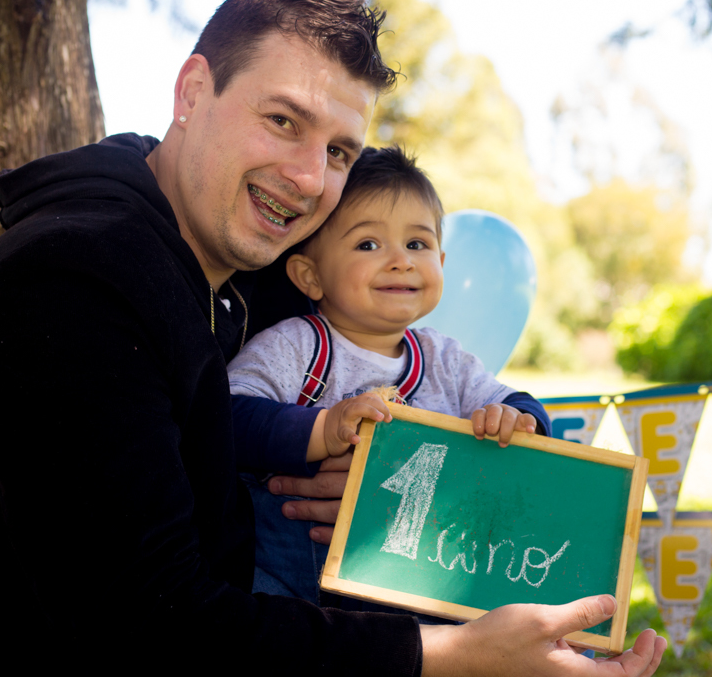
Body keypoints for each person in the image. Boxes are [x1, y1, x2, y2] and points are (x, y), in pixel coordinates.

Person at [0, 0, 667, 676]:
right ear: (192, 92)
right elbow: (149, 633)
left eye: (338, 152)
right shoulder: (69, 282)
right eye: (284, 121)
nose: (307, 178)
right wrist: (460, 657)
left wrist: (383, 501)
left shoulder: (254, 280)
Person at [228, 145, 551, 604]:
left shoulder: (445, 360)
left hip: (416, 591)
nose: (401, 260)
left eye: (417, 244)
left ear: (441, 262)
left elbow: (523, 405)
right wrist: (324, 428)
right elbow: (229, 417)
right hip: (294, 591)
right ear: (310, 276)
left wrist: (516, 419)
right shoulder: (297, 348)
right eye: (368, 244)